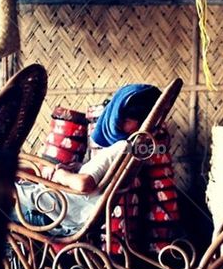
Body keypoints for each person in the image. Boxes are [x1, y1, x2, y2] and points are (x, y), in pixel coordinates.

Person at [16, 83, 161, 235]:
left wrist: (60, 175)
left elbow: (84, 183)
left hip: (56, 214)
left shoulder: (122, 147)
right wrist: (77, 168)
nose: (118, 121)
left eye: (126, 120)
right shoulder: (130, 148)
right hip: (67, 209)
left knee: (1, 195)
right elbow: (96, 176)